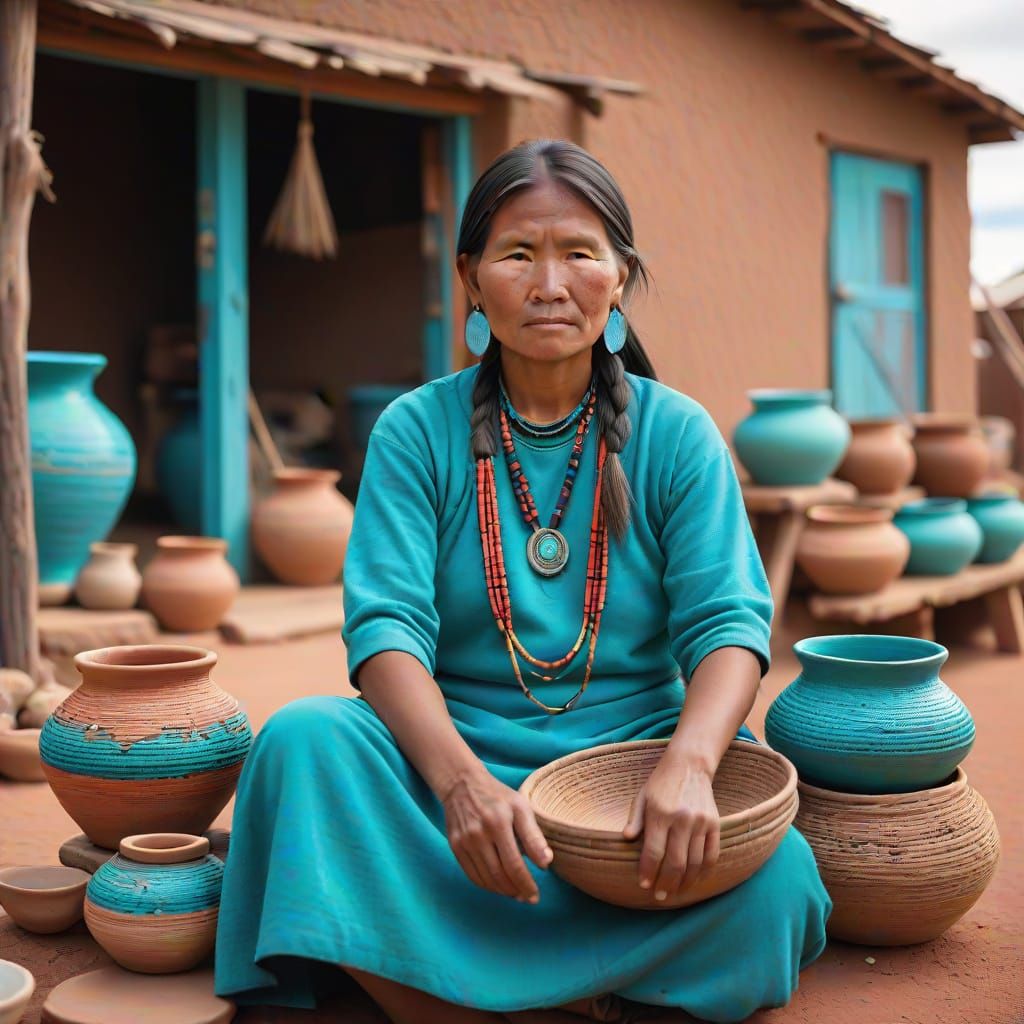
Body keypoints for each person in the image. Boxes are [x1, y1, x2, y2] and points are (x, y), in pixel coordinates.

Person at [215, 139, 831, 1024]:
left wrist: (691, 765)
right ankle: (518, 1000)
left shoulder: (678, 433)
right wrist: (461, 785)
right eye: (517, 254)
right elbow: (383, 629)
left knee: (781, 886)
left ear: (621, 276)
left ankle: (428, 978)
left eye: (581, 253)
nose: (550, 283)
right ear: (470, 276)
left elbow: (731, 624)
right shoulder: (413, 430)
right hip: (450, 766)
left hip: (633, 774)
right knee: (302, 742)